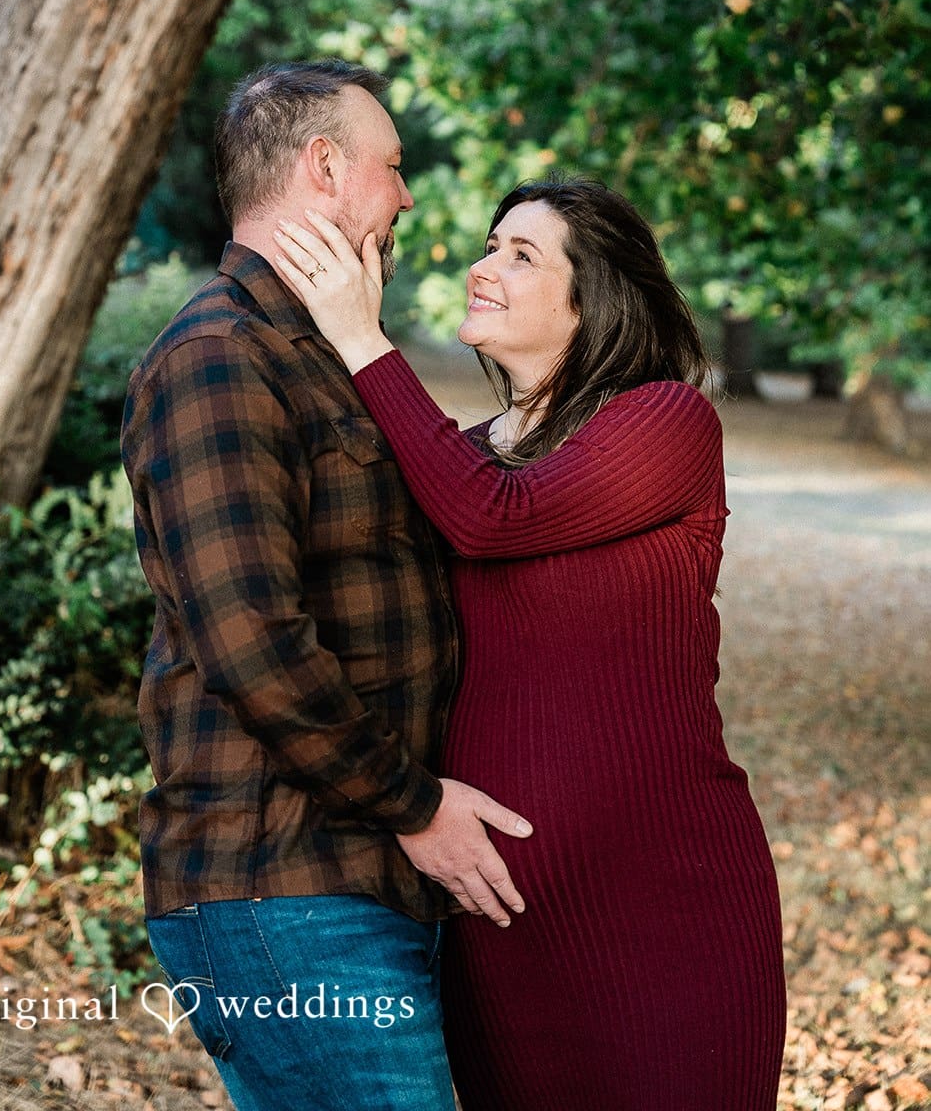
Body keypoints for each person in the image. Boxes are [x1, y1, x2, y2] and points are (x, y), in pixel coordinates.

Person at [273, 178, 788, 1111]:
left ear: (593, 299)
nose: (483, 268)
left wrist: (361, 338)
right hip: (498, 914)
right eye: (488, 246)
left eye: (521, 255)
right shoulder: (460, 456)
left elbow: (493, 517)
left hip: (664, 904)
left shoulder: (663, 421)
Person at [120, 61, 533, 1111]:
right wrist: (417, 803)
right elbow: (251, 641)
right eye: (391, 167)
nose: (405, 196)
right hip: (276, 882)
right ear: (322, 166)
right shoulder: (219, 355)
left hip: (355, 875)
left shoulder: (324, 352)